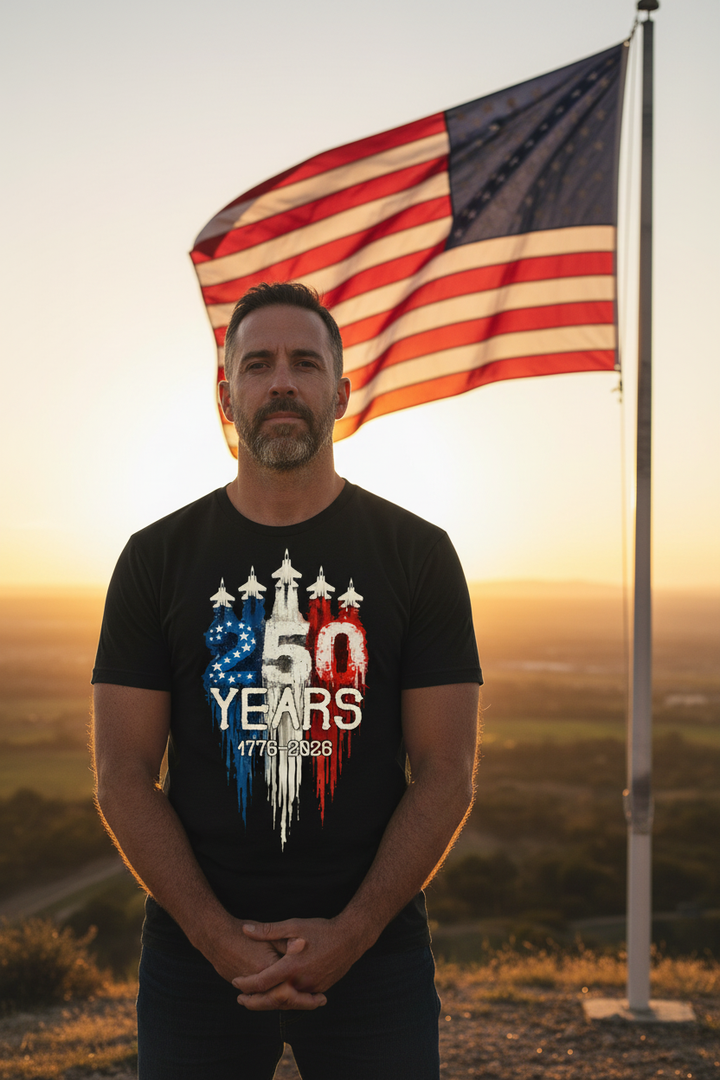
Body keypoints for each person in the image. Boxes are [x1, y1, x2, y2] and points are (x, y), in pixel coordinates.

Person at [92, 281, 482, 1080]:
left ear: (339, 392)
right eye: (258, 363)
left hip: (376, 952)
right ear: (225, 393)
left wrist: (355, 931)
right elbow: (122, 776)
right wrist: (214, 936)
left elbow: (447, 772)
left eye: (305, 363)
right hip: (193, 958)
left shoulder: (419, 555)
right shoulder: (154, 558)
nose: (281, 382)